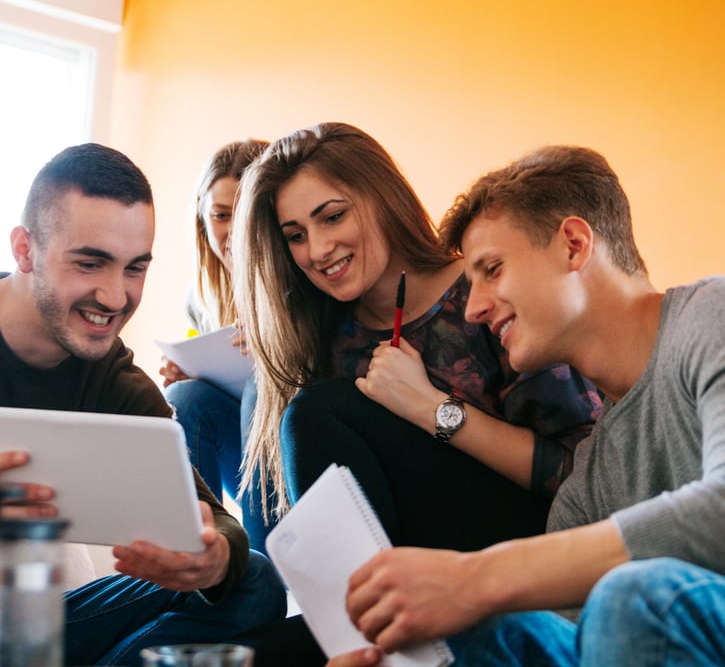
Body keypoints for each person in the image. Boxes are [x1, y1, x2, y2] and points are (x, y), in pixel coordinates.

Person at [324, 144, 725, 666]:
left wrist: (477, 576)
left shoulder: (710, 316)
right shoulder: (589, 482)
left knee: (634, 595)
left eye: (492, 269)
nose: (473, 307)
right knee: (479, 636)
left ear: (574, 246)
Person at [233, 122, 601, 553]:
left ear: (383, 198)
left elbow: (584, 472)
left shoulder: (486, 293)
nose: (317, 250)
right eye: (296, 236)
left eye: (333, 217)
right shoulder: (323, 335)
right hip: (405, 565)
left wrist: (432, 409)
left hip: (529, 546)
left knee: (313, 411)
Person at [0, 143, 287, 667]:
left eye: (135, 269)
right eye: (91, 263)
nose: (115, 297)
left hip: (31, 629)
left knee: (252, 579)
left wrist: (212, 558)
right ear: (25, 249)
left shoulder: (109, 376)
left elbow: (213, 520)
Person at [160, 139, 274, 553]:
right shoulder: (202, 297)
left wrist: (275, 350)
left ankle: (266, 569)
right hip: (244, 460)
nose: (234, 231)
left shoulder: (306, 278)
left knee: (263, 388)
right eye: (222, 215)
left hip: (301, 463)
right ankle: (203, 555)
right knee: (183, 397)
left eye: (247, 214)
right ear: (202, 220)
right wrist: (188, 371)